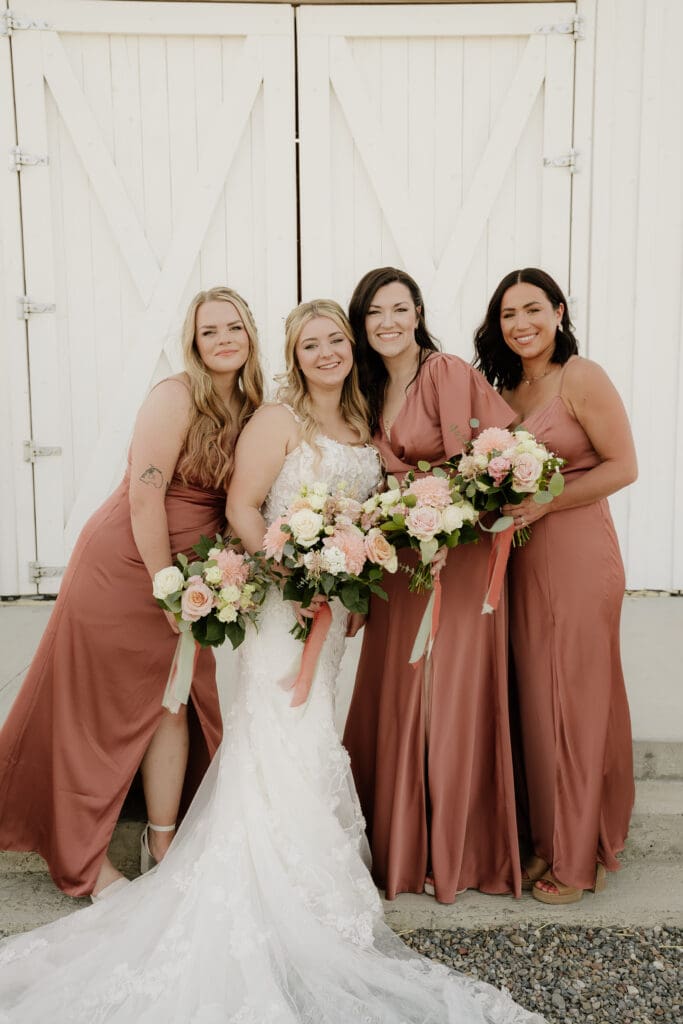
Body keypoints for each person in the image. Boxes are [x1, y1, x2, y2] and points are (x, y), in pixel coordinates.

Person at [0, 299, 544, 1024]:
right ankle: (250, 869)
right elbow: (242, 509)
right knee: (271, 724)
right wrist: (295, 573)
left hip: (330, 601)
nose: (325, 353)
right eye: (309, 343)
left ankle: (299, 868)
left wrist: (359, 568)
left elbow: (369, 509)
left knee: (302, 725)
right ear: (290, 353)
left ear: (349, 349)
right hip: (280, 602)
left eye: (333, 341)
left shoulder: (364, 423)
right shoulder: (274, 417)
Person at [0, 286, 263, 900]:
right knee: (102, 711)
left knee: (174, 702)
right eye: (209, 331)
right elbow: (146, 497)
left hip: (195, 576)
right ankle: (84, 860)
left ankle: (162, 838)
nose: (223, 339)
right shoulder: (174, 398)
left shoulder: (252, 405)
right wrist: (165, 586)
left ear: (250, 334)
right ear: (193, 343)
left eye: (234, 328)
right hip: (128, 566)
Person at [343, 267, 521, 904]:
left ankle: (449, 851)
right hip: (399, 555)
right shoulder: (364, 388)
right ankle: (397, 845)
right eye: (374, 313)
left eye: (399, 309)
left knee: (442, 693)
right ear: (362, 323)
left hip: (454, 550)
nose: (387, 323)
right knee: (396, 689)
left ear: (417, 312)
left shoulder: (443, 372)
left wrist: (443, 530)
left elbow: (477, 462)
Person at [474, 267, 637, 904]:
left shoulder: (581, 376)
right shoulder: (505, 387)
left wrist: (546, 500)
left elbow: (624, 466)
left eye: (533, 309)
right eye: (509, 314)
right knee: (537, 701)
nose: (522, 324)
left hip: (577, 553)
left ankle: (578, 859)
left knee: (576, 699)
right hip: (521, 559)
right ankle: (547, 837)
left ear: (559, 311)